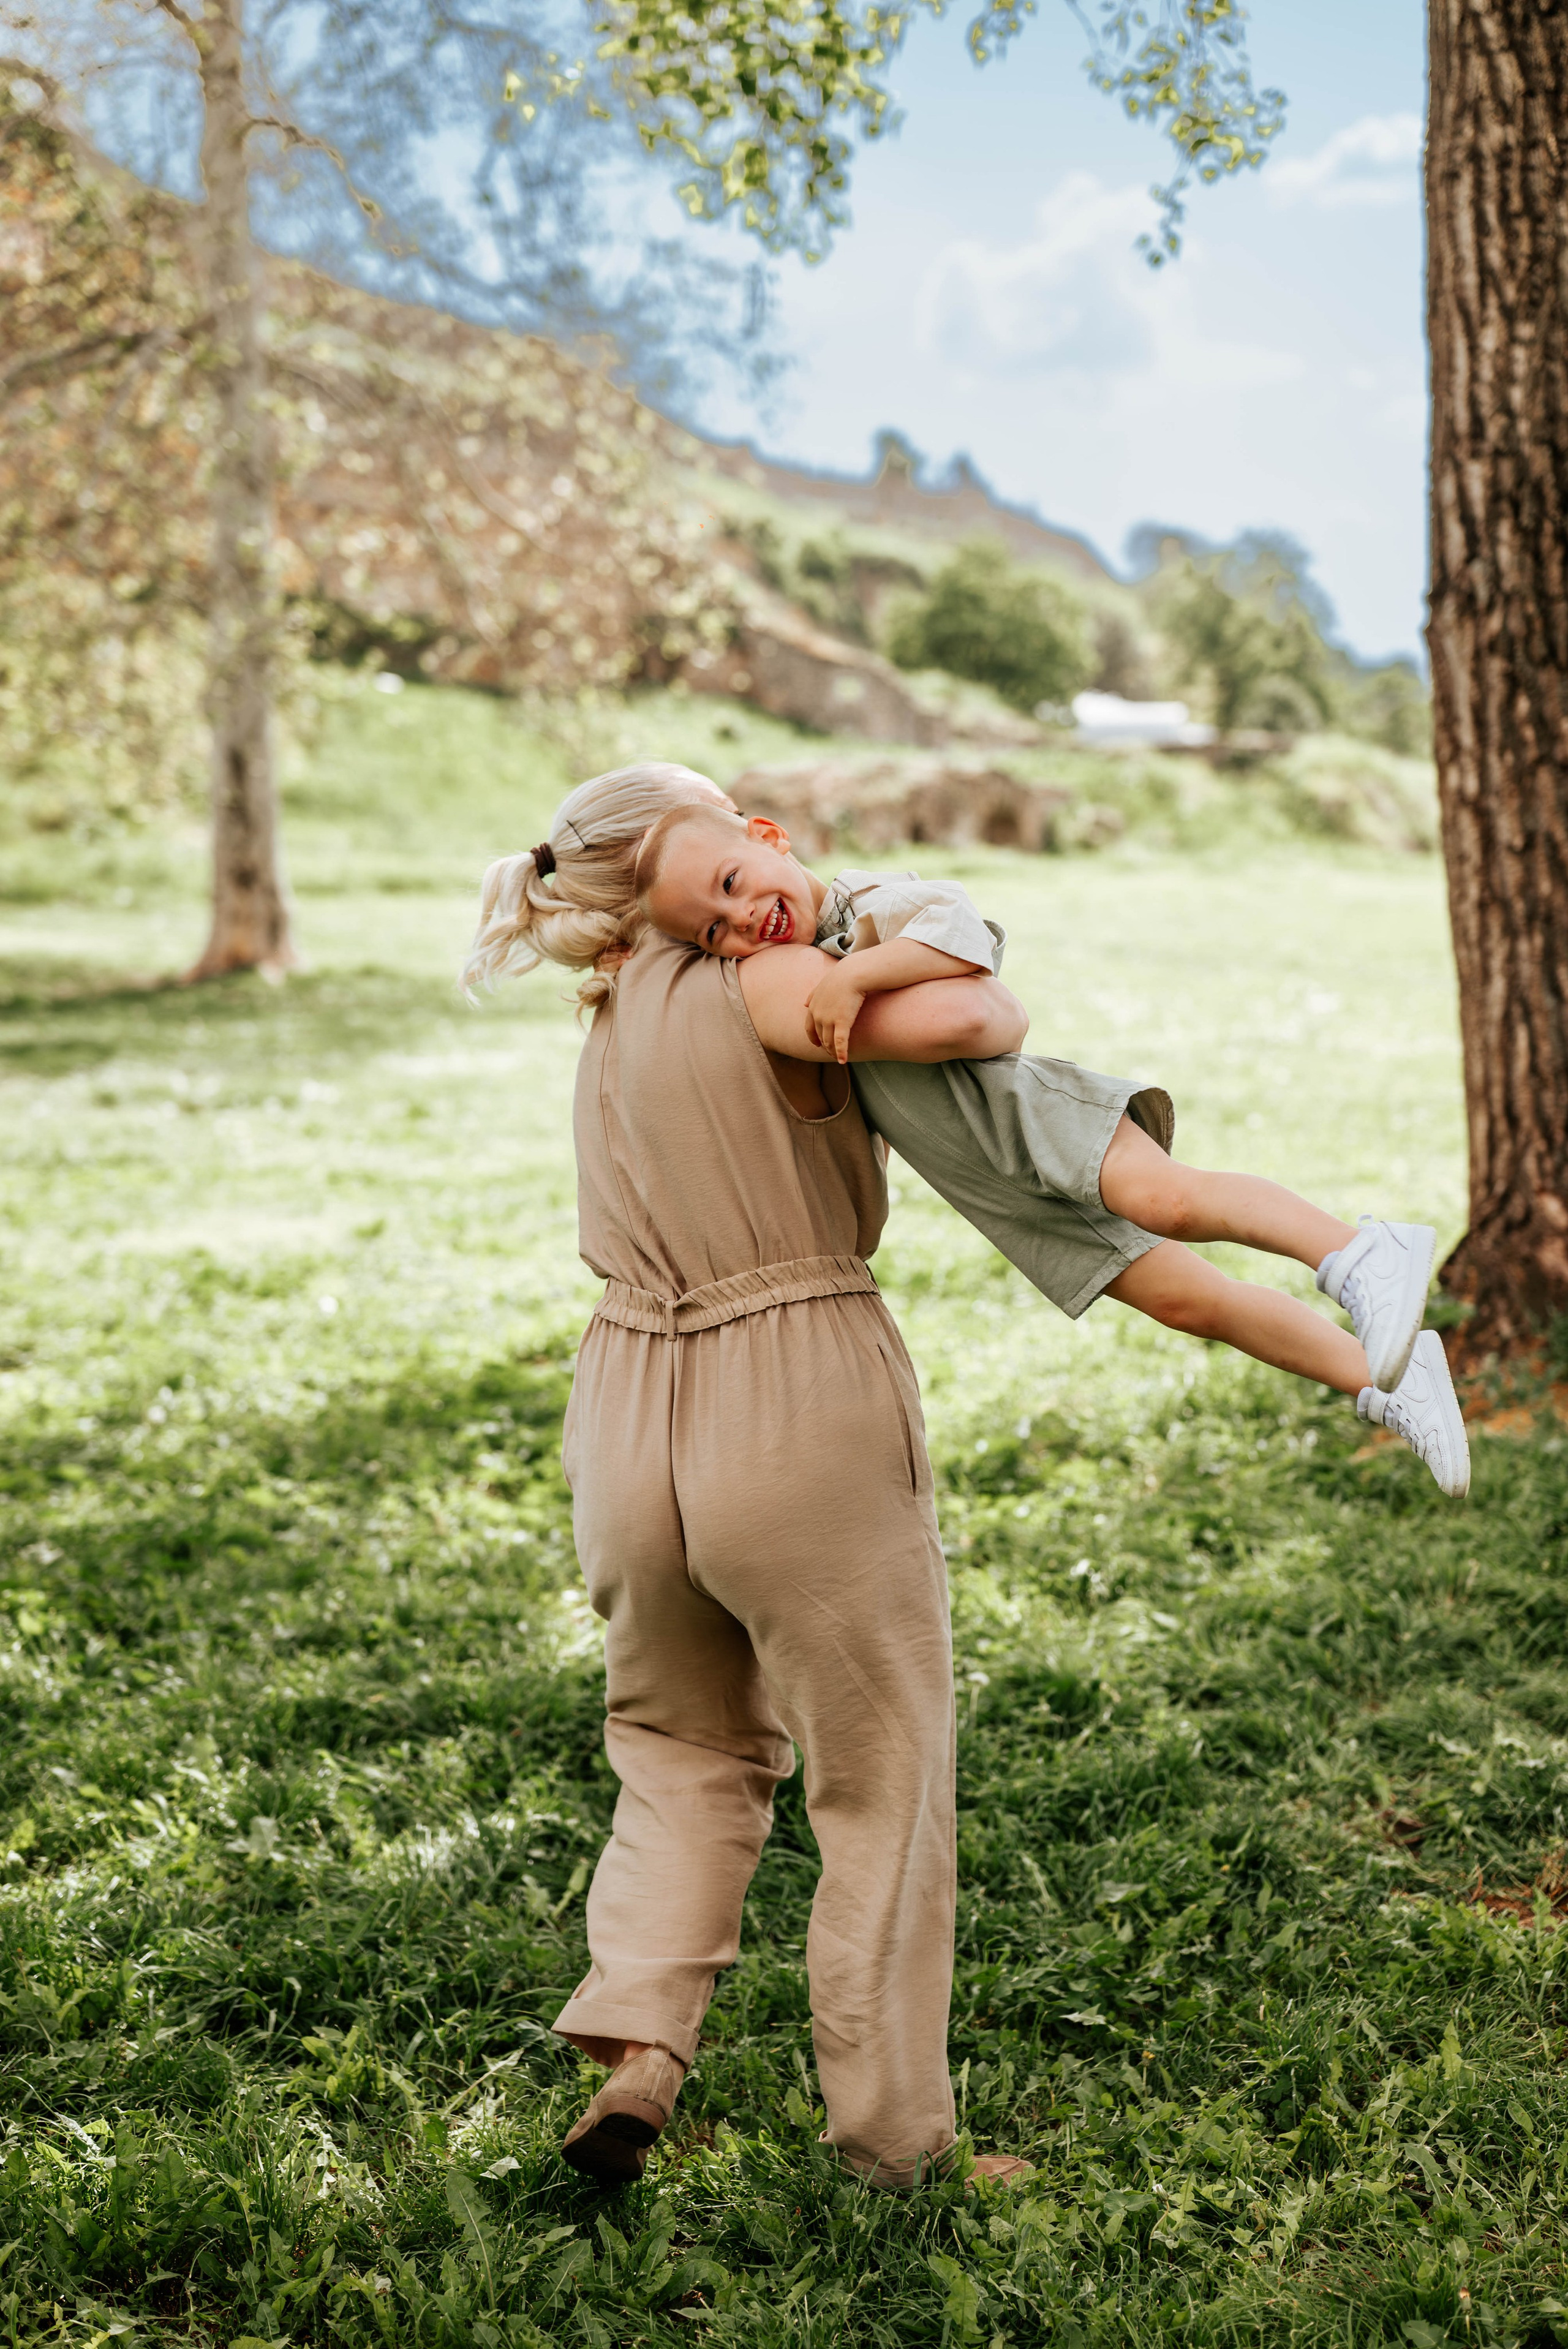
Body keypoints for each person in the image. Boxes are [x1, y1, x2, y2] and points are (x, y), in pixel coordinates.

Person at [464, 762, 1036, 2192]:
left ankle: (641, 2053)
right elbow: (974, 1013)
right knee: (879, 1780)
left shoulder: (610, 1011)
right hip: (789, 1390)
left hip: (622, 1407)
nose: (741, 915)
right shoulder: (768, 983)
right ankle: (894, 2143)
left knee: (677, 1748)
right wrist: (872, 955)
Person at [633, 802, 1471, 1499]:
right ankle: (1386, 1382)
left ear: (770, 836)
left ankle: (1360, 1252)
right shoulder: (794, 975)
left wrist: (855, 976)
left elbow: (968, 938)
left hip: (1030, 1115)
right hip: (997, 1181)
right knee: (1190, 1303)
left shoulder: (863, 905)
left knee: (1169, 1199)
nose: (741, 917)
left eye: (734, 884)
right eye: (714, 931)